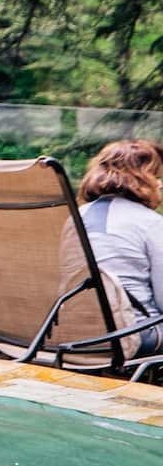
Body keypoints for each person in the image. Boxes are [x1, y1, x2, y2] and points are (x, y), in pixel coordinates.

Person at [78, 140, 163, 354]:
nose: (160, 184)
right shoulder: (150, 223)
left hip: (79, 332)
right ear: (139, 177)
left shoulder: (76, 218)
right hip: (135, 333)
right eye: (157, 176)